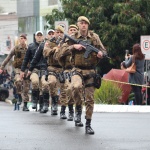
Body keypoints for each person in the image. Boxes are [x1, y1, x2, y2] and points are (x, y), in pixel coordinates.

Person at [59, 16, 107, 134]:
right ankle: (78, 111)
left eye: (85, 23)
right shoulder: (73, 37)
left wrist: (101, 54)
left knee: (90, 99)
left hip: (91, 71)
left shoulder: (94, 37)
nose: (83, 25)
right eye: (81, 23)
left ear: (88, 25)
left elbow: (104, 51)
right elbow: (61, 52)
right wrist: (73, 46)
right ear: (78, 25)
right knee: (75, 87)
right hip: (77, 70)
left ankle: (88, 124)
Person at [0, 34, 30, 111]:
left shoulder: (29, 48)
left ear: (26, 39)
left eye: (24, 38)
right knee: (18, 81)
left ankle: (25, 105)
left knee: (26, 87)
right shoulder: (16, 48)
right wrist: (2, 67)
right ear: (19, 40)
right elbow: (8, 57)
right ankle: (19, 95)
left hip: (27, 69)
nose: (22, 40)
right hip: (18, 69)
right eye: (21, 38)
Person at [58, 24, 78, 120]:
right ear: (68, 32)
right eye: (71, 30)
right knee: (67, 89)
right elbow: (58, 56)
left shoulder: (81, 42)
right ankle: (66, 110)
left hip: (78, 70)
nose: (73, 31)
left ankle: (76, 112)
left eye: (74, 29)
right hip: (67, 69)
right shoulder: (64, 43)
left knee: (77, 90)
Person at [20, 31, 44, 111]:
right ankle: (34, 101)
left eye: (41, 35)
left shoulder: (46, 46)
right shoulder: (31, 46)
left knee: (43, 86)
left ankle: (41, 104)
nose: (39, 37)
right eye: (38, 35)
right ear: (35, 37)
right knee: (34, 82)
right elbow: (26, 59)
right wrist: (22, 70)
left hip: (44, 69)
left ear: (43, 37)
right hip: (34, 69)